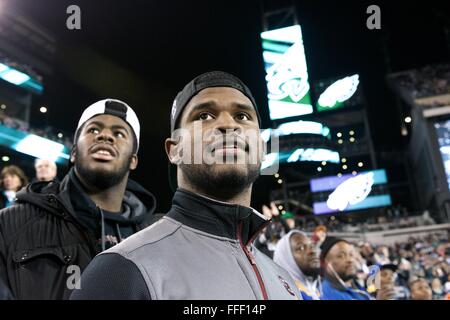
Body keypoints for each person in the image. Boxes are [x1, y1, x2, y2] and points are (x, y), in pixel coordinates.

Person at [70, 71, 301, 300]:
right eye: (204, 116)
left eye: (242, 116)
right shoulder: (120, 271)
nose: (228, 124)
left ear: (261, 149)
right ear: (174, 150)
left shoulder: (285, 281)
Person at [0, 99, 156, 299]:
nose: (105, 135)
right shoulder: (9, 224)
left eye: (119, 133)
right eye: (93, 130)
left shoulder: (152, 238)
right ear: (73, 152)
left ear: (133, 160)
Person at [274, 230, 322, 300]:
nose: (312, 251)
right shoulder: (284, 295)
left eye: (311, 246)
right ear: (285, 258)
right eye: (301, 248)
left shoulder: (315, 290)